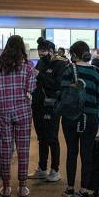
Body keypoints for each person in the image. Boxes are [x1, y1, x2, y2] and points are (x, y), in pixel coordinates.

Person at [0, 35, 38, 197]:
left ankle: (7, 186)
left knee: (5, 148)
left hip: (3, 110)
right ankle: (23, 186)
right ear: (22, 48)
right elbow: (31, 88)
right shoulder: (28, 65)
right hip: (23, 111)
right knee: (23, 148)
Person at [59, 41, 99, 197]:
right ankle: (84, 190)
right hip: (91, 118)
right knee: (87, 152)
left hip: (71, 118)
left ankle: (70, 188)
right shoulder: (97, 72)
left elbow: (63, 94)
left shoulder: (68, 70)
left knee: (72, 151)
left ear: (73, 55)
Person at [31, 38, 68, 182]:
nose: (41, 53)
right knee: (41, 138)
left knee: (52, 138)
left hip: (52, 106)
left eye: (44, 50)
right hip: (38, 104)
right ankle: (42, 168)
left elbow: (57, 85)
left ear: (52, 51)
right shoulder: (40, 62)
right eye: (39, 50)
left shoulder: (61, 65)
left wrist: (39, 75)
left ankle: (55, 170)